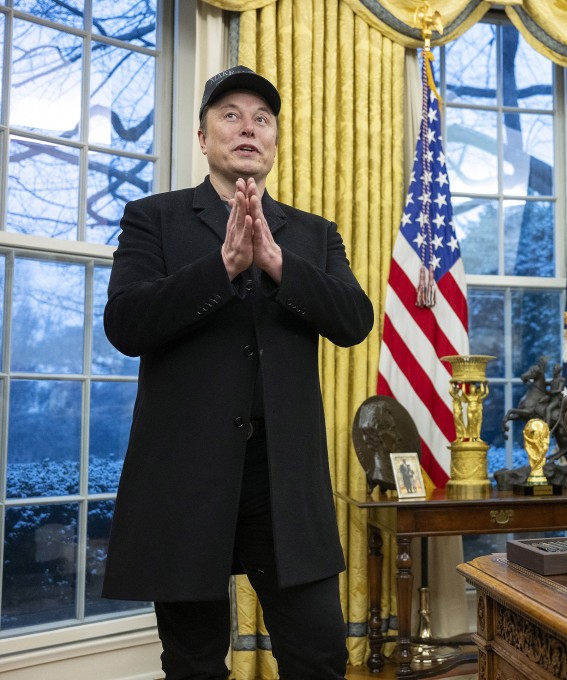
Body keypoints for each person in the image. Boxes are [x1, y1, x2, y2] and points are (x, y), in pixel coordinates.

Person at [102, 65, 374, 679]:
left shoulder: (313, 234)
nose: (248, 127)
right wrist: (221, 268)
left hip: (284, 477)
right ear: (203, 139)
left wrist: (278, 264)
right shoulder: (154, 219)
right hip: (185, 476)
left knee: (319, 654)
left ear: (275, 140)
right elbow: (125, 324)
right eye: (230, 115)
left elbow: (354, 320)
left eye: (262, 118)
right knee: (194, 664)